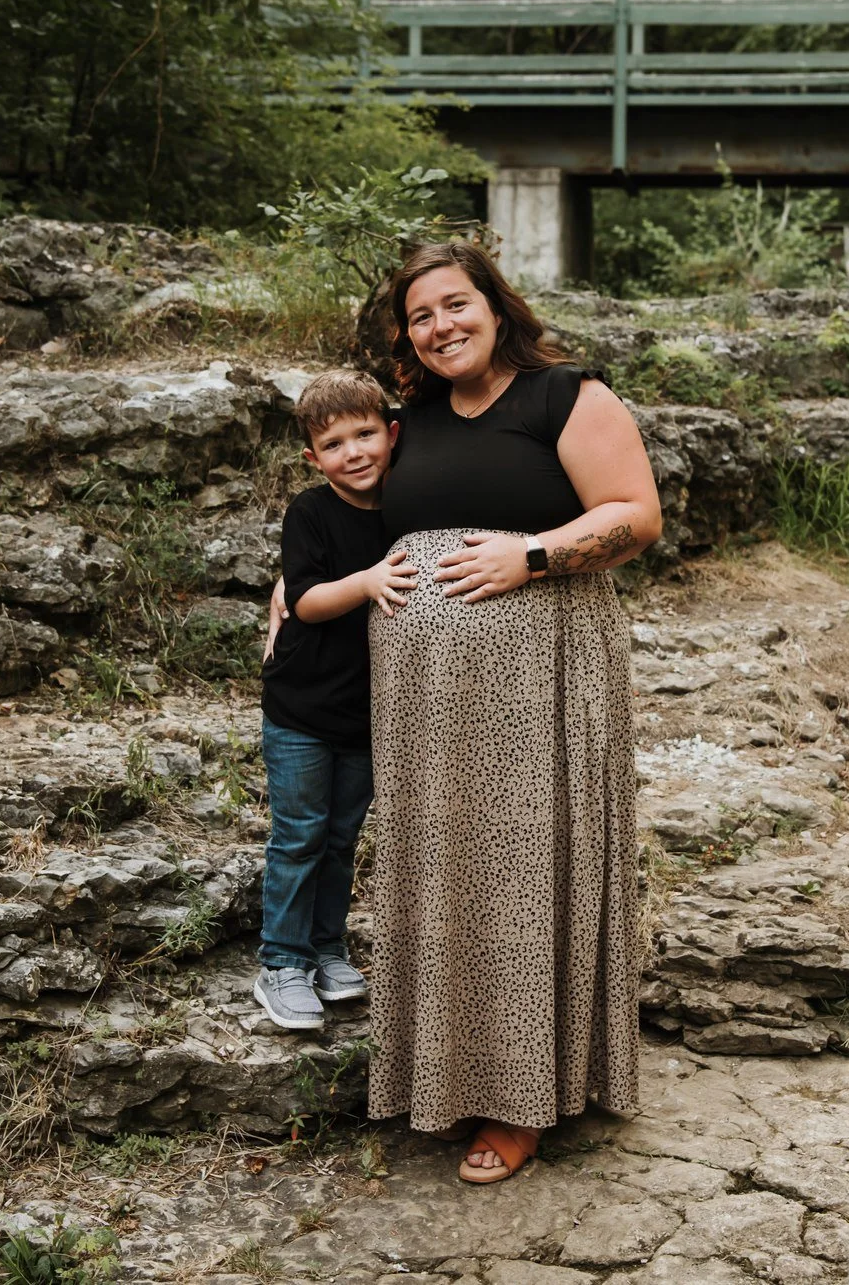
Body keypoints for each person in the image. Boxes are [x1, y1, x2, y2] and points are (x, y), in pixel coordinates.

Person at [368, 240, 662, 1184]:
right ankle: (447, 1071)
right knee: (448, 870)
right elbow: (344, 510)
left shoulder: (565, 396)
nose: (442, 325)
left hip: (543, 680)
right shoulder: (409, 418)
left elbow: (635, 514)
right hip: (425, 705)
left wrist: (528, 556)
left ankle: (520, 1096)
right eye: (421, 315)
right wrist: (293, 584)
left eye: (457, 305)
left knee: (523, 870)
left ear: (496, 308)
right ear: (406, 335)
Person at [252, 372, 418, 1032]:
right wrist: (368, 580)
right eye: (335, 442)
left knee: (342, 835)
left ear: (392, 434)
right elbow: (307, 599)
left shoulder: (409, 514)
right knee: (299, 833)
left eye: (366, 434)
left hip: (367, 714)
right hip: (301, 712)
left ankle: (325, 948)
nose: (354, 452)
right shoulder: (311, 512)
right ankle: (282, 962)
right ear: (313, 458)